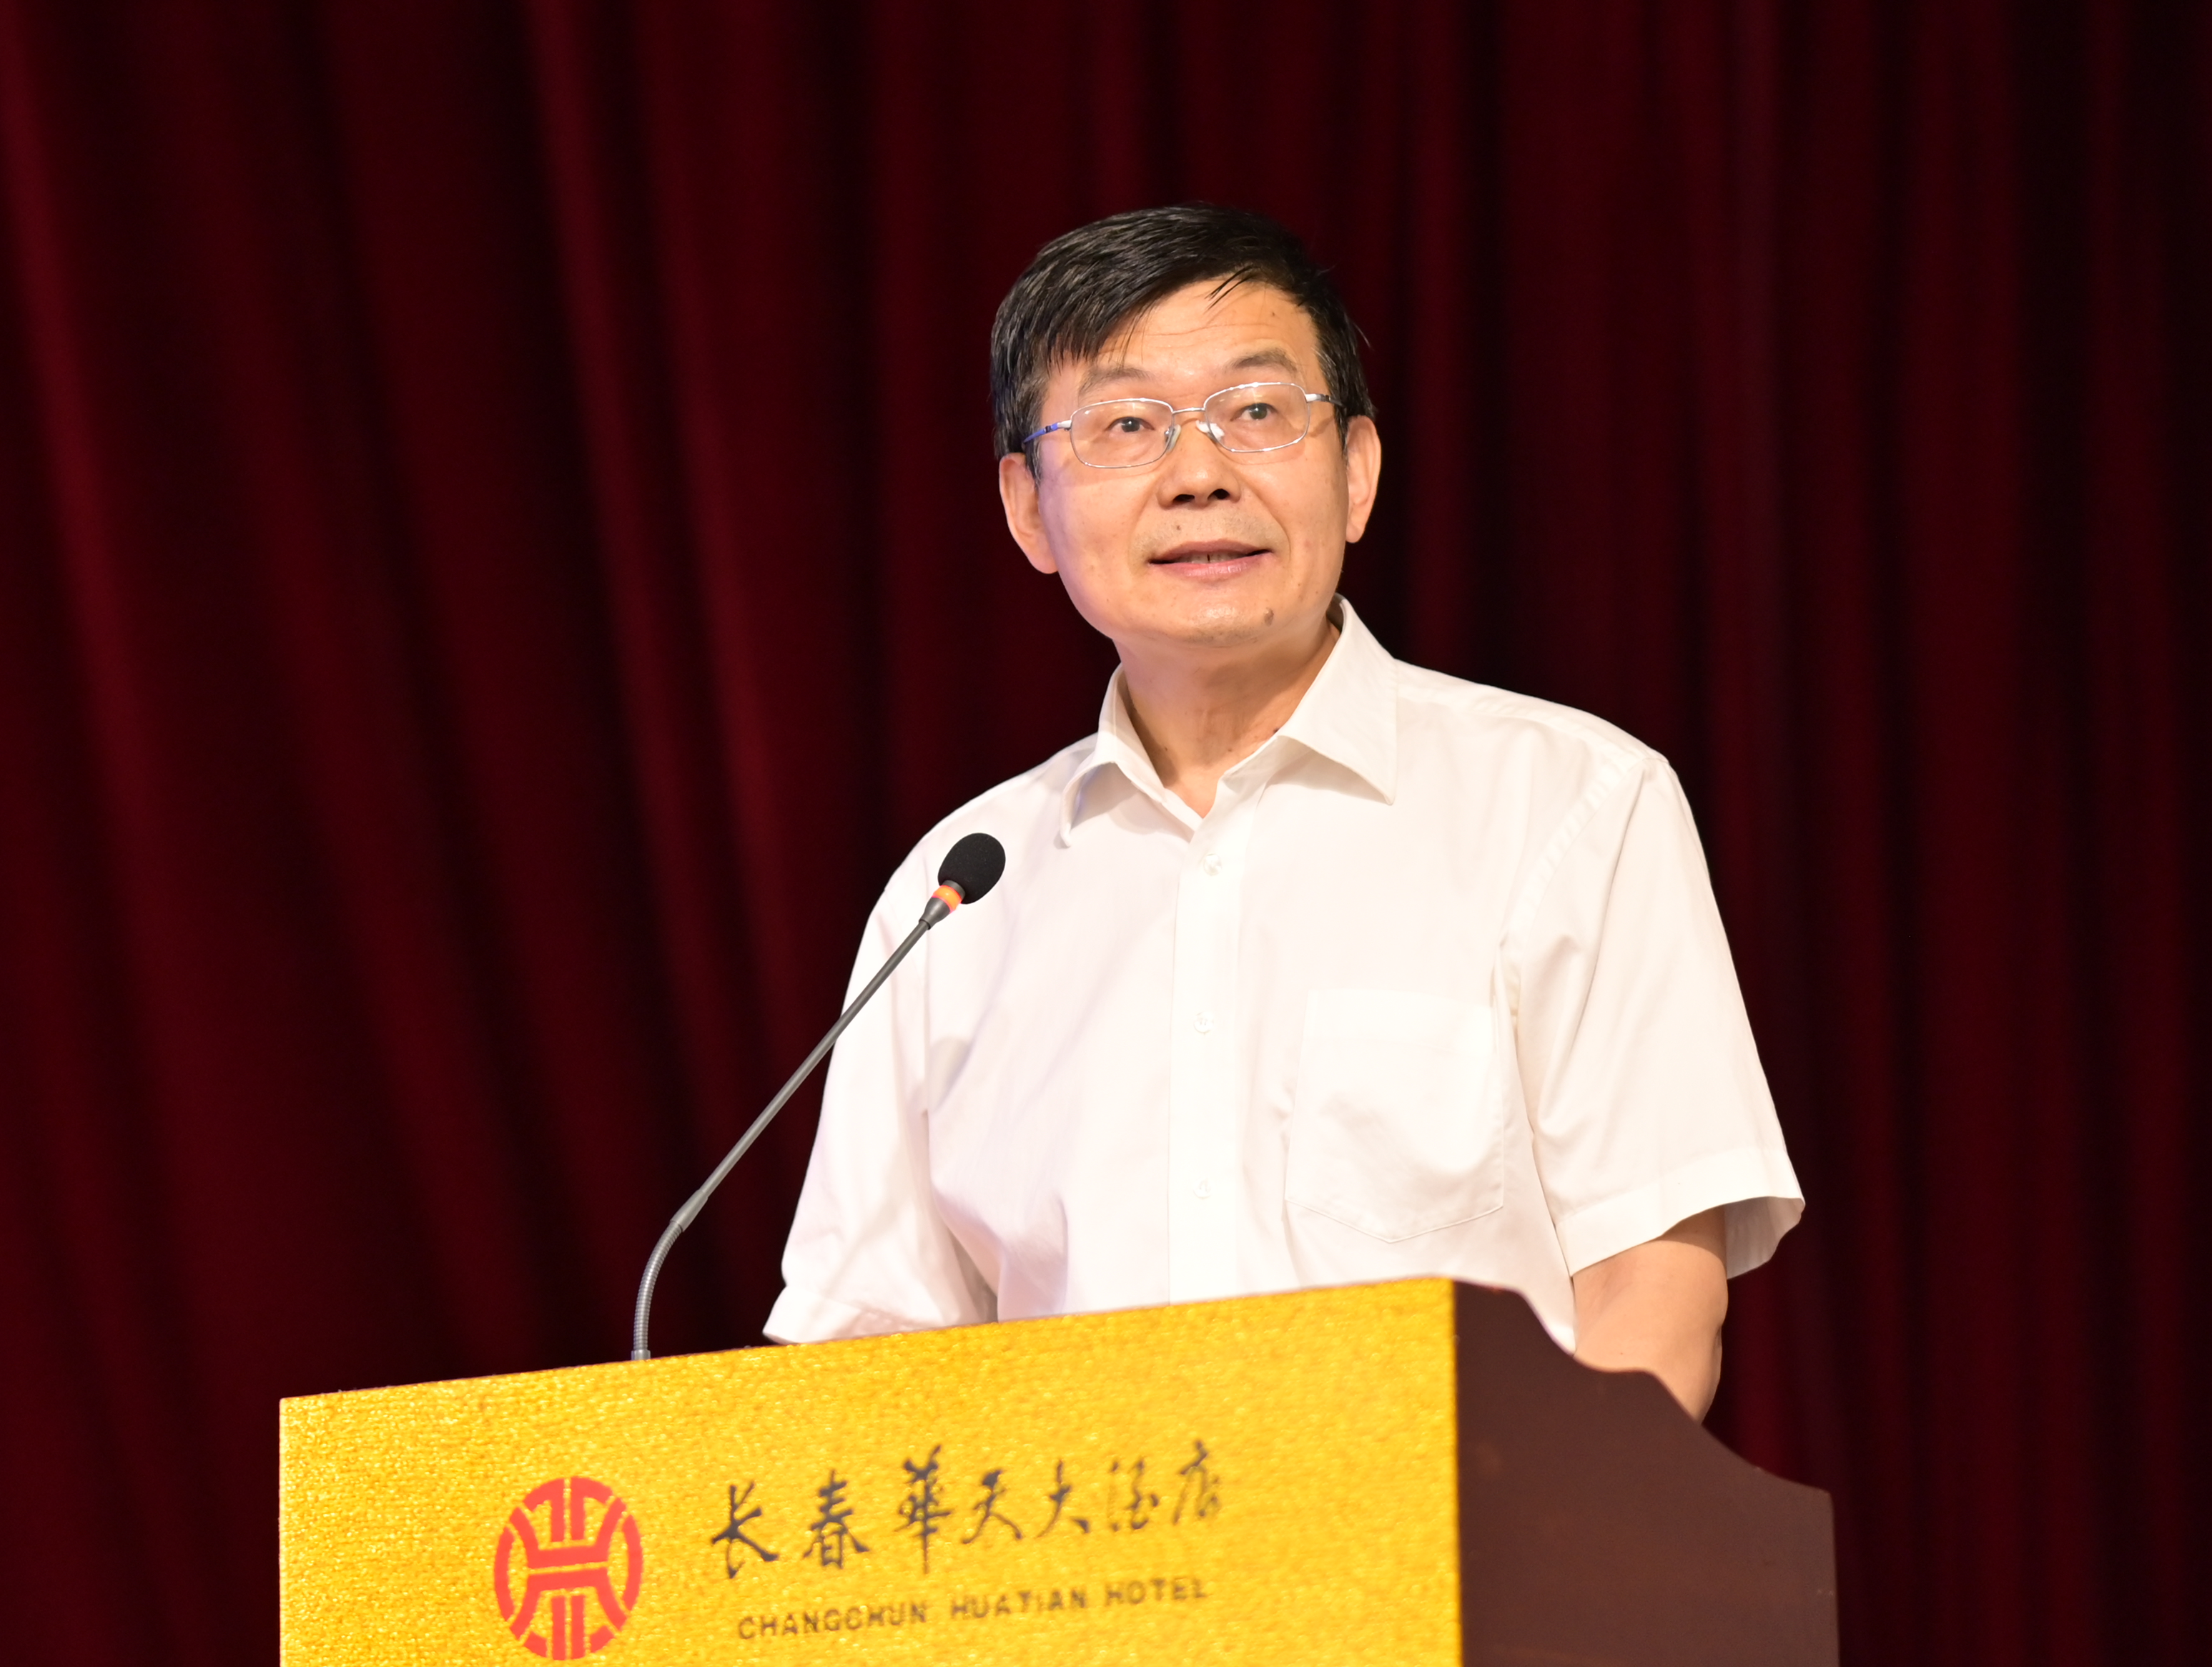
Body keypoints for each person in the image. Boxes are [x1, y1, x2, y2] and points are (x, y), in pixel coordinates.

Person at [764, 204, 1798, 1419]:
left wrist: (1541, 1536)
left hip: (1454, 1540)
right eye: (1127, 426)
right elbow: (863, 1363)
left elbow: (1650, 1297)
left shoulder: (1572, 806)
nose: (1199, 474)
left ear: (1356, 473)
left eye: (1256, 413)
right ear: (1029, 510)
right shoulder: (958, 894)